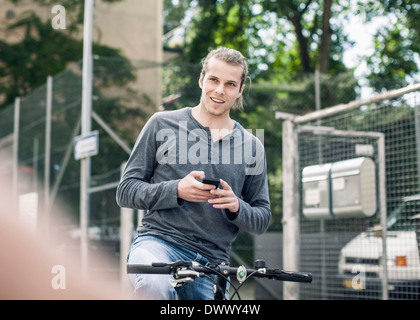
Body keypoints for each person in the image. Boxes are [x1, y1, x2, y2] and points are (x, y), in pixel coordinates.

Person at [116, 47, 271, 300]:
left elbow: (262, 217)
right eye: (214, 80)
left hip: (213, 263)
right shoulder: (160, 124)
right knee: (155, 288)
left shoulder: (253, 146)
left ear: (240, 90)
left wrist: (236, 207)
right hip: (158, 244)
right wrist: (176, 190)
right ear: (201, 79)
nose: (220, 90)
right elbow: (125, 191)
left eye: (230, 84)